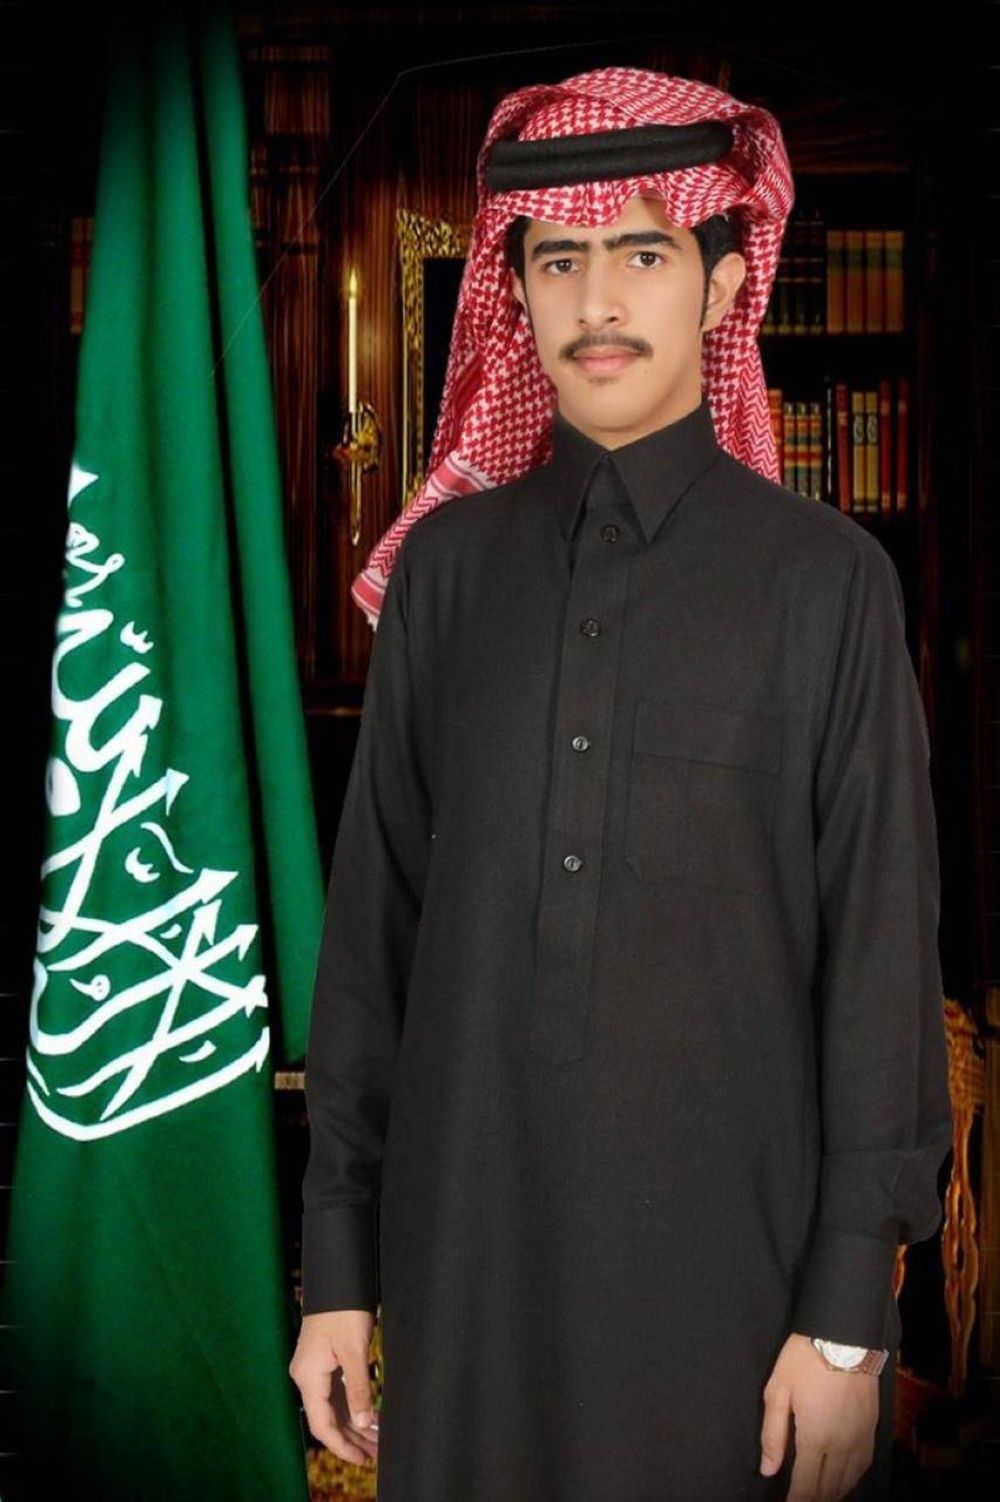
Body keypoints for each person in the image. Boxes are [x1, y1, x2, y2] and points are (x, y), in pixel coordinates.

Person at [288, 65, 954, 1501]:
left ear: (724, 287)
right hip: (464, 1274)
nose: (597, 300)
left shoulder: (829, 586)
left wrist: (848, 1319)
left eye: (643, 254)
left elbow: (882, 963)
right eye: (559, 259)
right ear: (516, 294)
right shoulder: (444, 577)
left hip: (736, 1301)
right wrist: (336, 1266)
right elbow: (373, 943)